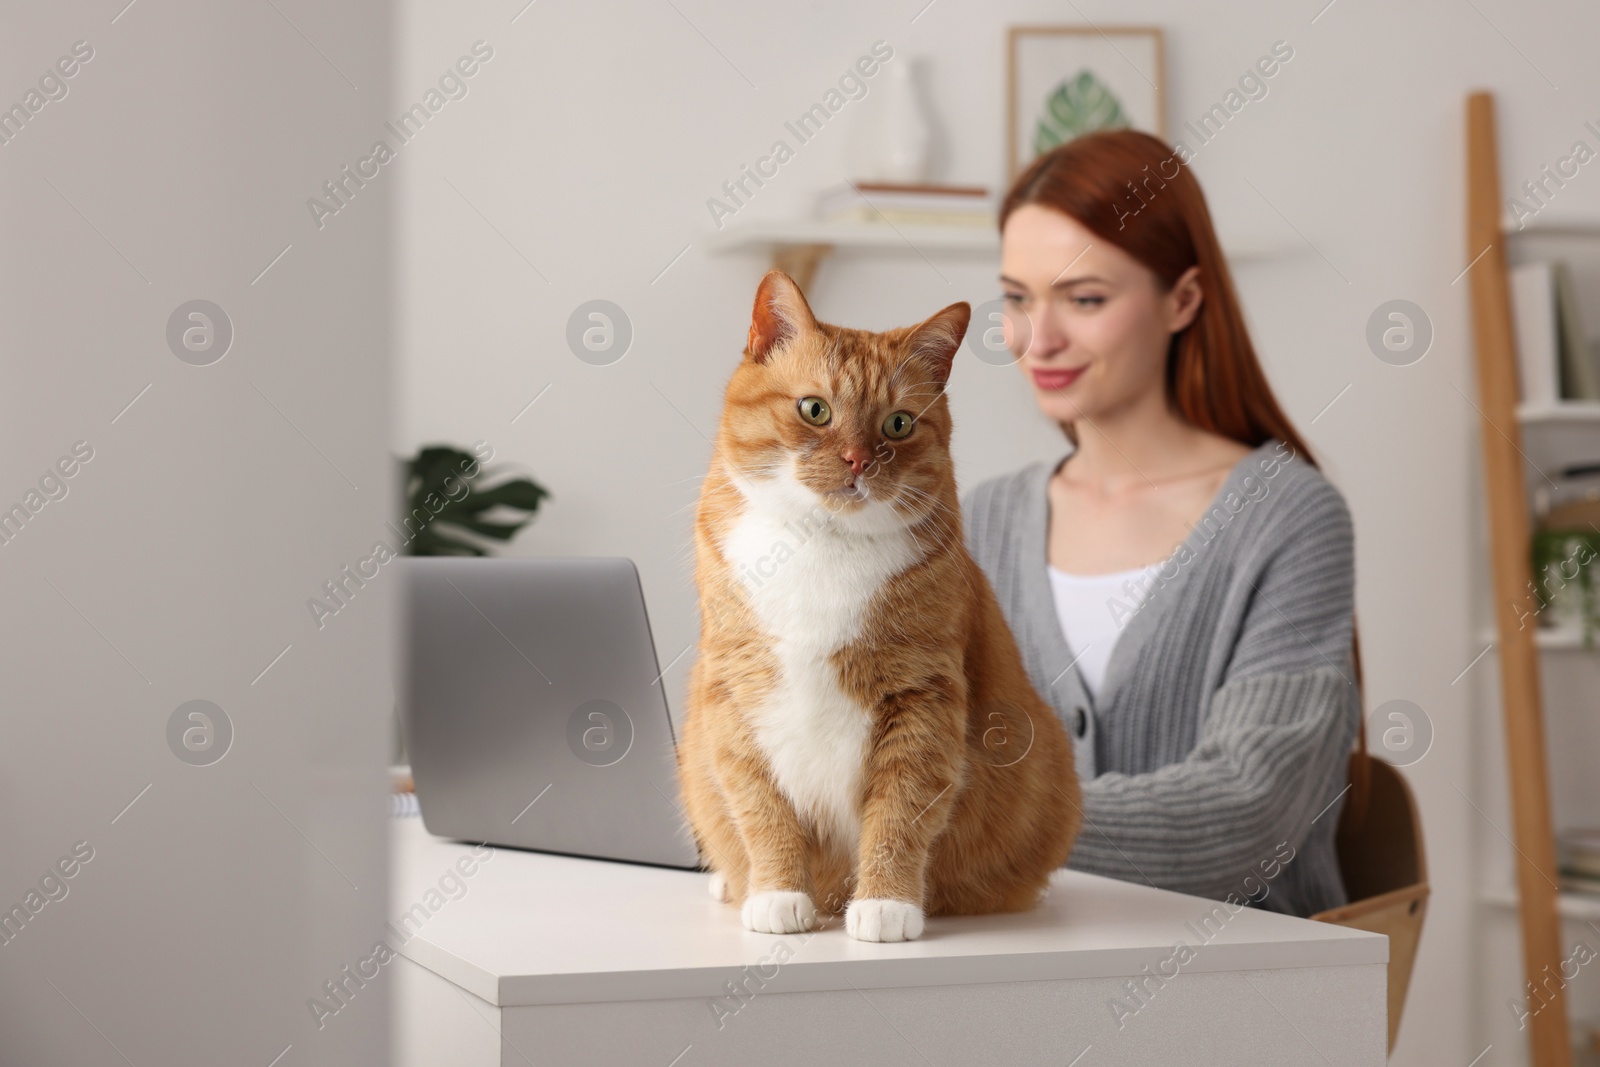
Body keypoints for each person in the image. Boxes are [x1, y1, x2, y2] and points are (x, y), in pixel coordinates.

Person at [960, 129, 1370, 918]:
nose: (1036, 339)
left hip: (1241, 1000)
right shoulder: (982, 518)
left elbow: (1251, 814)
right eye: (1016, 298)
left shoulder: (1289, 516)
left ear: (1182, 298)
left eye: (1084, 299)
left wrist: (969, 818)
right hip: (1027, 978)